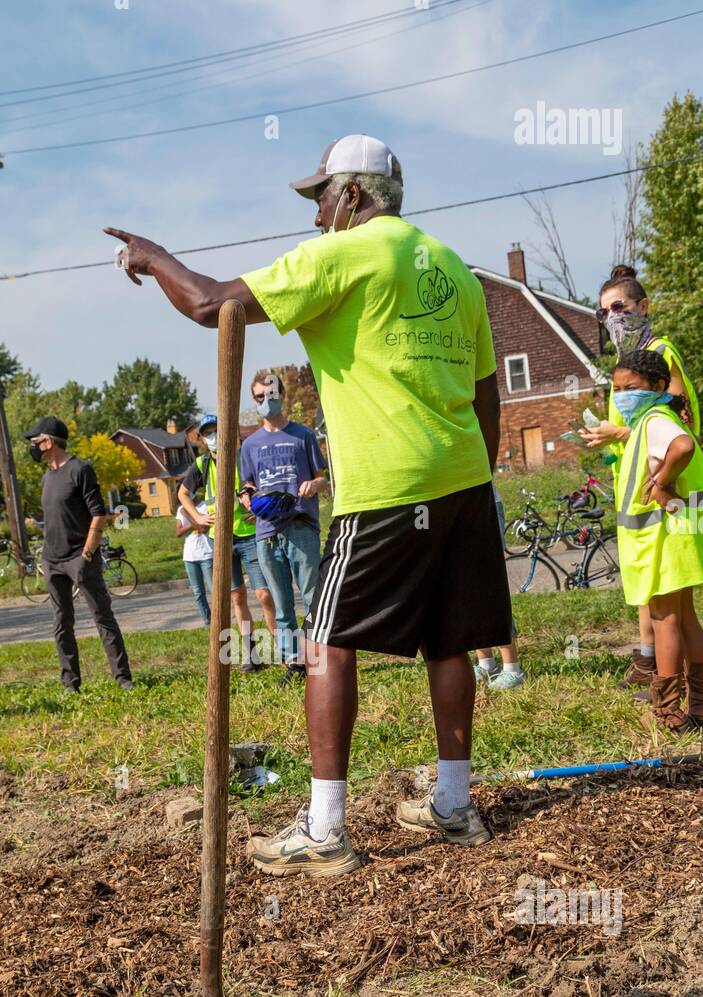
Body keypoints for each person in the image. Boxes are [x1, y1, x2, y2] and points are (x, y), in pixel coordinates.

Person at [104, 132, 511, 875]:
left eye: (320, 197)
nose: (317, 214)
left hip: (388, 483)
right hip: (462, 478)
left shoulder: (343, 254)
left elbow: (211, 306)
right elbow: (488, 391)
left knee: (325, 638)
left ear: (352, 194)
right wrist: (475, 474)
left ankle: (325, 828)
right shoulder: (454, 266)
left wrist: (153, 257)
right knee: (452, 639)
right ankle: (454, 804)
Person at [580, 265, 700, 698]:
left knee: (671, 608)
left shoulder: (658, 354)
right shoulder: (630, 363)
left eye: (619, 307)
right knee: (670, 607)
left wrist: (623, 437)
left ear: (642, 307)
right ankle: (678, 684)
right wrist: (610, 439)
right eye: (603, 312)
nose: (611, 317)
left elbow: (675, 422)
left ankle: (669, 693)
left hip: (664, 498)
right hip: (646, 493)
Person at [611, 349, 703, 732]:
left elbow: (682, 447)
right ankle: (700, 706)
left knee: (663, 617)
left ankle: (666, 710)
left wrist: (662, 483)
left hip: (665, 541)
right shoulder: (658, 418)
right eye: (616, 389)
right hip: (681, 536)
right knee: (686, 619)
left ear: (658, 387)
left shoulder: (654, 420)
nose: (621, 396)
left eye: (630, 388)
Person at [25, 415, 134, 694]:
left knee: (102, 616)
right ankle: (70, 683)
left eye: (36, 442)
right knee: (62, 622)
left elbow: (99, 515)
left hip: (79, 557)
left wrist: (87, 556)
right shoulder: (47, 477)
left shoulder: (80, 469)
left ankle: (123, 678)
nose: (34, 447)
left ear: (48, 441)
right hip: (53, 561)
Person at [239, 370, 328, 687]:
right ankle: (294, 662)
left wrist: (313, 485)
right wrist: (247, 499)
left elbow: (323, 477)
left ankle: (319, 659)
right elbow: (246, 486)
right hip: (267, 532)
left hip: (301, 526)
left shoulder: (302, 435)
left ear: (282, 395)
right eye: (259, 397)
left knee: (312, 597)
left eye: (271, 395)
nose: (265, 401)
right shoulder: (249, 445)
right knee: (280, 604)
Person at [177, 413, 277, 674]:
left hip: (249, 534)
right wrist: (197, 516)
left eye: (216, 431)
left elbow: (264, 484)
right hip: (220, 539)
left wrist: (261, 508)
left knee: (264, 593)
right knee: (236, 596)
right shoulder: (201, 465)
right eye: (207, 433)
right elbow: (182, 494)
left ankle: (285, 651)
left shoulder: (244, 455)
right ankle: (251, 655)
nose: (213, 437)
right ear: (202, 439)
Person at [474, 486, 524, 689]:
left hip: (482, 504)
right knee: (467, 588)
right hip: (456, 504)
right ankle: (486, 664)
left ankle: (512, 669)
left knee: (489, 585)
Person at [176, 495, 213, 625]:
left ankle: (219, 616)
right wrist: (194, 523)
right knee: (198, 592)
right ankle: (207, 619)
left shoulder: (205, 506)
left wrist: (187, 514)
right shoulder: (181, 508)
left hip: (207, 554)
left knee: (213, 590)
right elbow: (178, 532)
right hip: (190, 556)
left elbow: (203, 529)